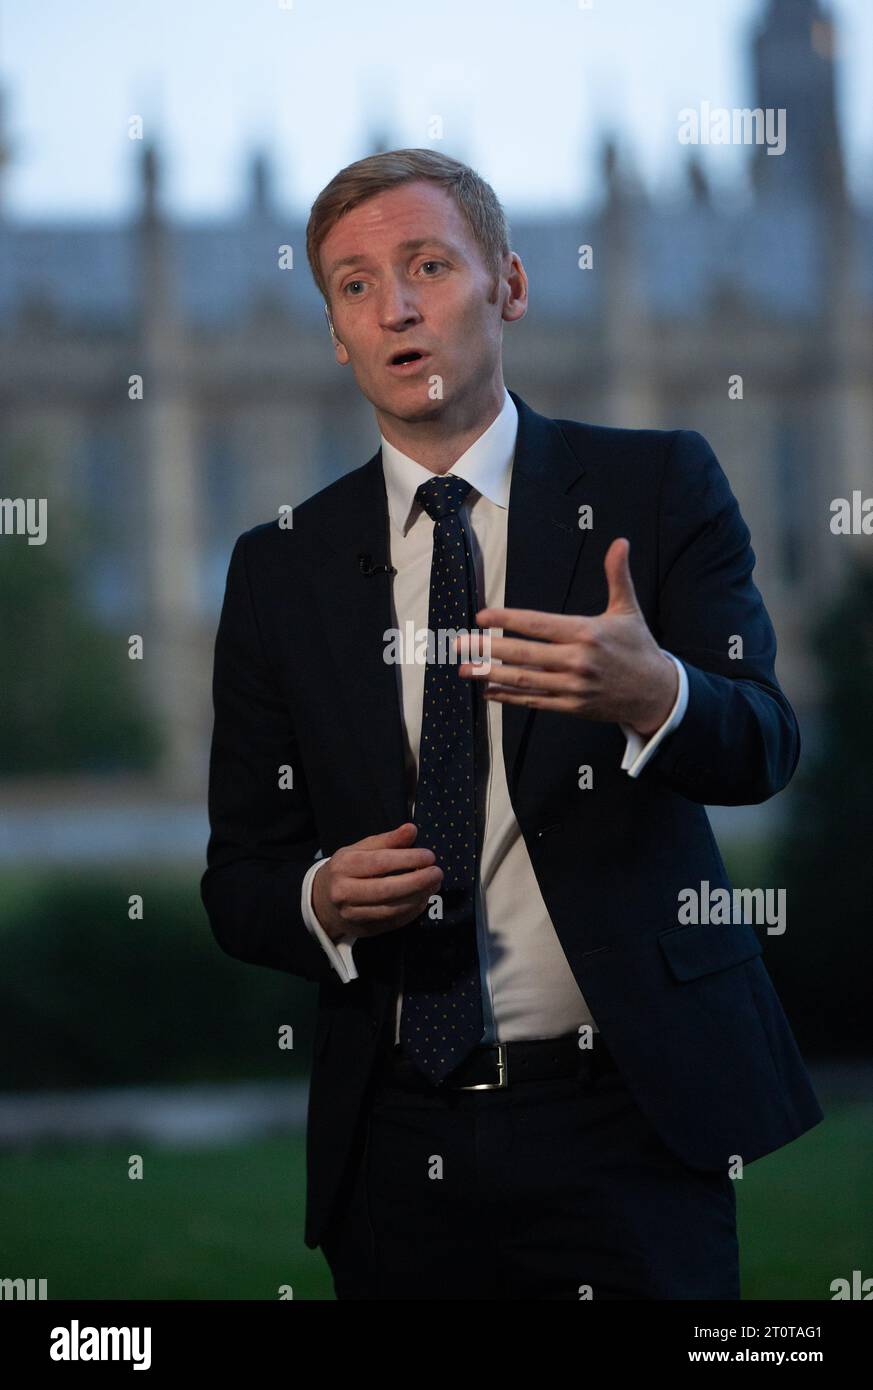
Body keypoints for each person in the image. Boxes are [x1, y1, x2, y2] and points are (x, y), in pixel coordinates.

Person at [200, 148, 823, 1300]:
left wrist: (660, 693)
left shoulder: (657, 485)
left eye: (427, 266)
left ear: (511, 286)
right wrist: (317, 897)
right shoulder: (277, 568)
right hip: (391, 1139)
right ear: (336, 334)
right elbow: (239, 871)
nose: (393, 306)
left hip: (627, 1119)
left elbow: (767, 742)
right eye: (353, 284)